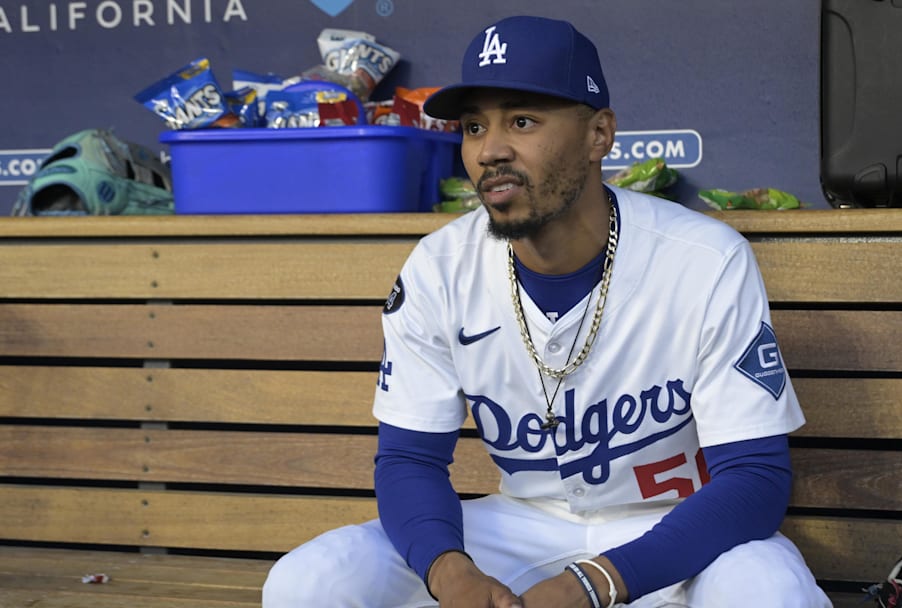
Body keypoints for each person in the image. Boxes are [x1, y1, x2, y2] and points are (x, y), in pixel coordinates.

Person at [262, 15, 832, 608]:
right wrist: (449, 573)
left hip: (675, 529)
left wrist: (595, 583)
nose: (491, 151)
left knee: (770, 593)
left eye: (522, 120)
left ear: (599, 134)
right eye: (474, 127)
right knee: (309, 581)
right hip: (519, 524)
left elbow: (755, 479)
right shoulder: (438, 268)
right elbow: (408, 458)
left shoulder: (706, 260)